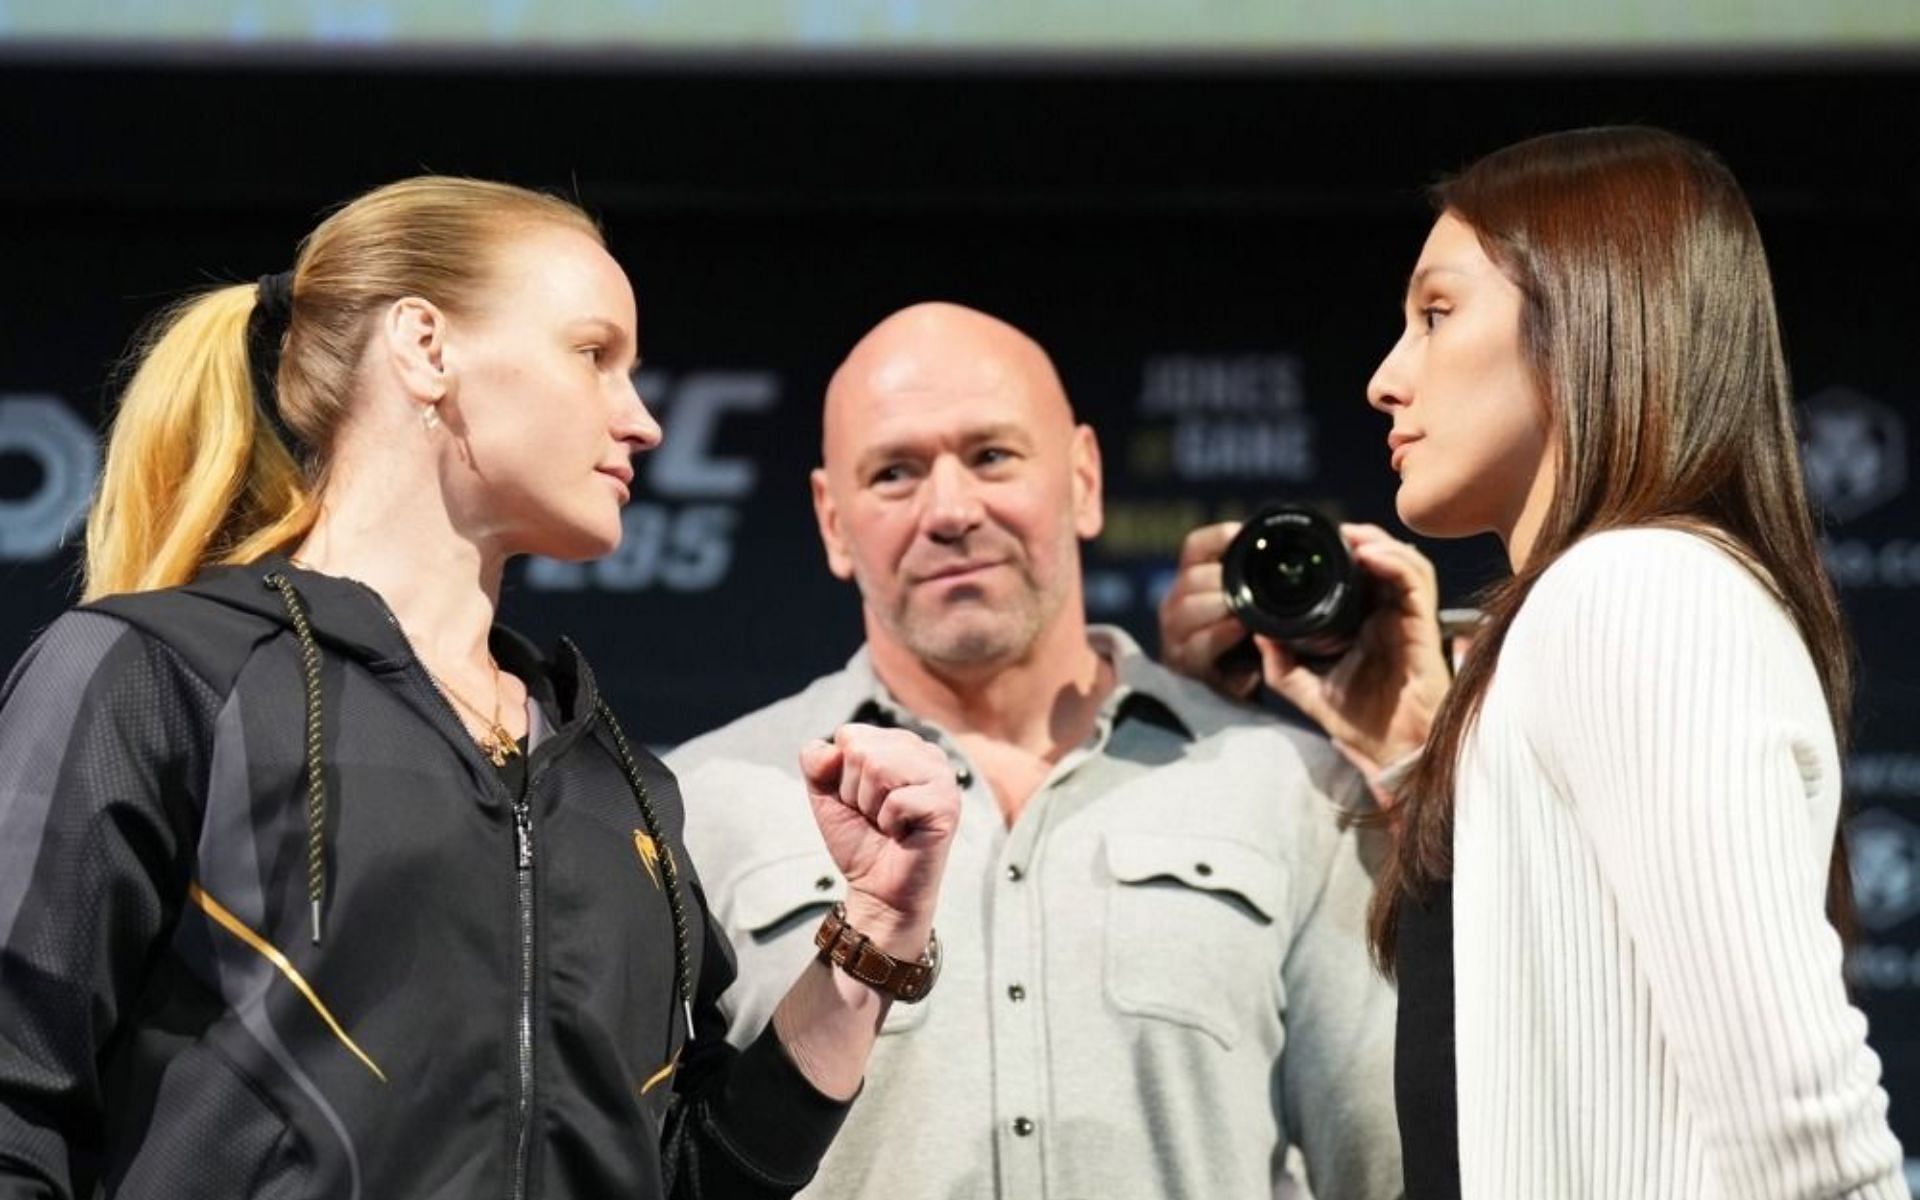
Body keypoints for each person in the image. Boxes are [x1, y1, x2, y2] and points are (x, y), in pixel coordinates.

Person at [0, 176, 961, 1199]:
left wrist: (871, 947)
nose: (642, 421)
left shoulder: (613, 779)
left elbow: (698, 1174)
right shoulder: (159, 679)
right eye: (595, 355)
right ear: (425, 348)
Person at [1160, 126, 1907, 1198]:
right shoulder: (1598, 604)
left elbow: (1800, 1125)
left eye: (1435, 314)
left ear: (1588, 313)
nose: (1384, 379)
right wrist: (1416, 749)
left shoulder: (1640, 590)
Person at [669, 302, 1402, 1200]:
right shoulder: (705, 805)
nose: (951, 511)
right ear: (831, 519)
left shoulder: (1289, 786)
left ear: (1085, 478)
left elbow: (1381, 1166)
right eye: (895, 473)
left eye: (991, 457)